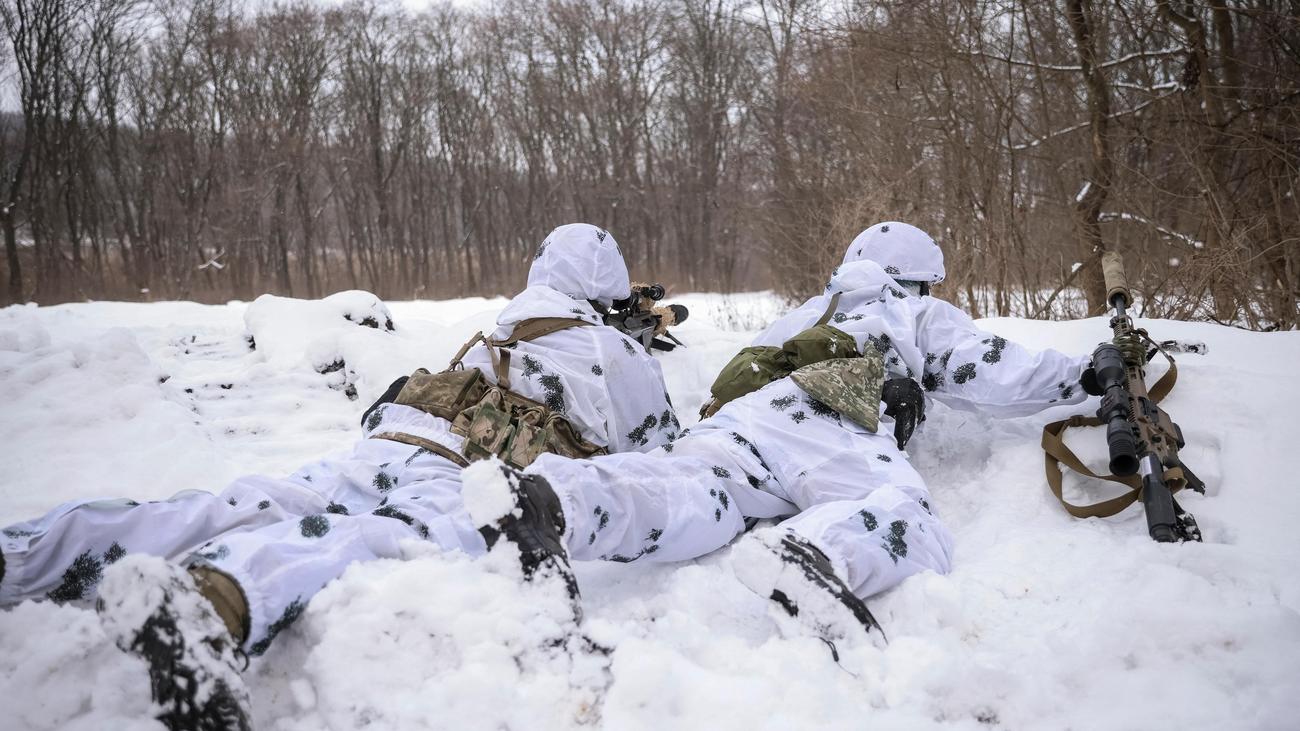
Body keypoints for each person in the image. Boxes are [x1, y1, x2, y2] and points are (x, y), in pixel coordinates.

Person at [0, 223, 680, 731]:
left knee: (244, 503)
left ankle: (29, 552)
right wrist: (637, 346)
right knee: (365, 543)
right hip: (459, 473)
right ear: (611, 291)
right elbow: (668, 460)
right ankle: (214, 601)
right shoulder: (614, 351)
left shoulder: (511, 322)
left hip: (393, 438)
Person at [475, 221, 1109, 644]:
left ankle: (558, 502)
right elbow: (993, 371)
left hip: (741, 423)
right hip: (832, 422)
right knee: (904, 514)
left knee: (689, 489)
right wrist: (1087, 373)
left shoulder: (801, 316)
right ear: (913, 276)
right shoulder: (909, 308)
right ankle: (820, 554)